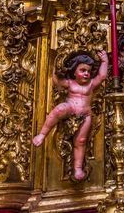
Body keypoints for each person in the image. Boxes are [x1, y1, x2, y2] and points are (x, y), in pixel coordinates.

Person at [32, 51, 108, 180]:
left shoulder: (91, 84)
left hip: (85, 115)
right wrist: (53, 65)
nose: (86, 74)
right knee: (59, 109)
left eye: (88, 71)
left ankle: (77, 168)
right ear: (74, 72)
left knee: (81, 141)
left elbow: (102, 76)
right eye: (82, 70)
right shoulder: (70, 83)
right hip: (70, 109)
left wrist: (105, 61)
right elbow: (56, 80)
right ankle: (42, 134)